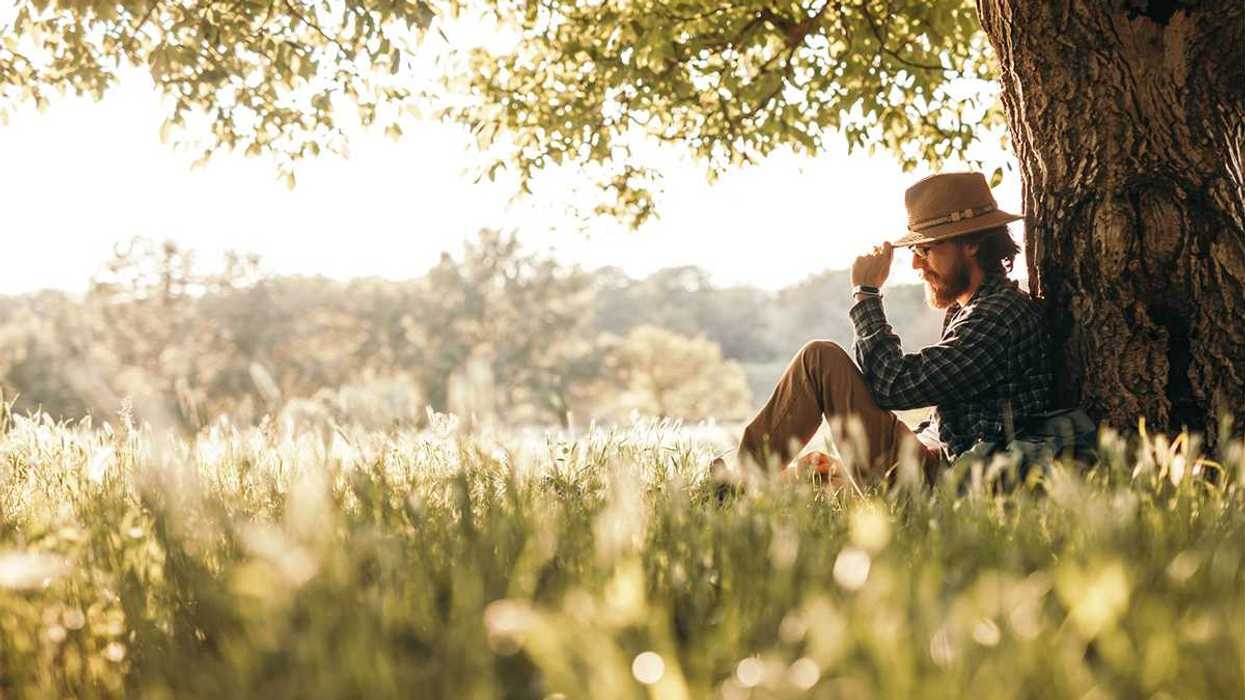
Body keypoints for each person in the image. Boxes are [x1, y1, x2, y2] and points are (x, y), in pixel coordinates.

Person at [724, 171, 1055, 487]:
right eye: (915, 250)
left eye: (926, 249)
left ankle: (737, 483)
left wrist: (867, 294)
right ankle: (752, 481)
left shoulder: (998, 315)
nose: (915, 264)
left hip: (960, 487)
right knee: (811, 476)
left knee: (820, 360)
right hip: (944, 467)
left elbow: (892, 385)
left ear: (971, 244)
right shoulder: (970, 309)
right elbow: (951, 421)